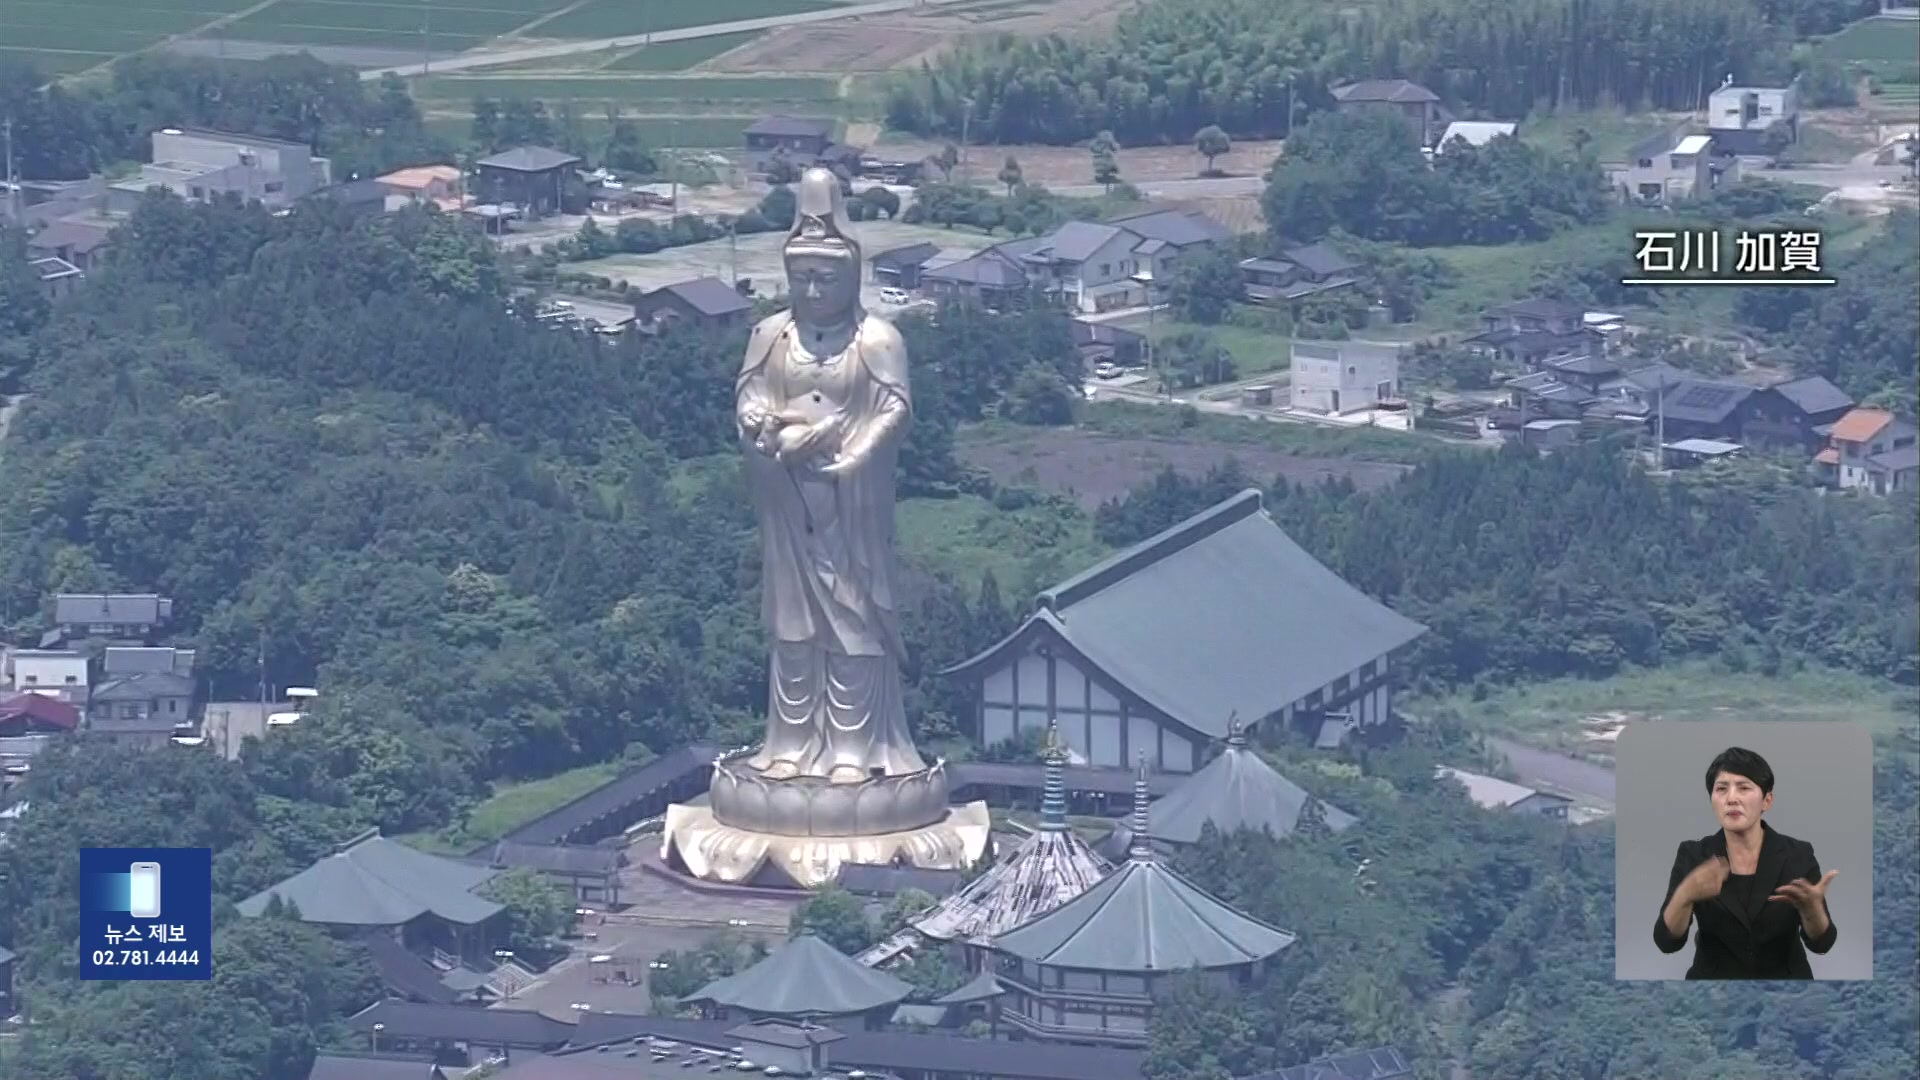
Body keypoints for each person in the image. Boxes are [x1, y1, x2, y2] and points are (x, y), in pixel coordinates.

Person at [734, 166, 926, 784]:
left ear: (853, 275)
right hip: (788, 501)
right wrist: (761, 420)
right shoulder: (770, 334)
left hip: (849, 503)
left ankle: (856, 749)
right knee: (791, 622)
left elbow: (895, 407)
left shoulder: (877, 339)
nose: (814, 290)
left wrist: (855, 447)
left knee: (852, 619)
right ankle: (789, 745)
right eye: (803, 277)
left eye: (826, 277)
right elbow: (748, 396)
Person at [1653, 747, 1838, 979]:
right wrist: (1684, 895)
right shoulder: (1694, 855)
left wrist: (1813, 909)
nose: (1732, 798)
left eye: (1744, 787)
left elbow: (1822, 944)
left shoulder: (1798, 855)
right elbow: (1666, 942)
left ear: (1766, 800)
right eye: (1721, 789)